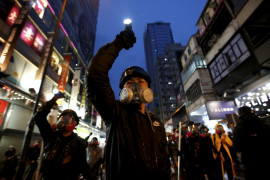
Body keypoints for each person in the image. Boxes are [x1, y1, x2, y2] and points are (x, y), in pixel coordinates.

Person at [84, 29, 171, 180]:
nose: (135, 86)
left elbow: (164, 161)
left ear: (148, 90)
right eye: (129, 83)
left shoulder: (156, 123)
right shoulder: (114, 112)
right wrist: (118, 44)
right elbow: (94, 75)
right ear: (123, 92)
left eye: (140, 82)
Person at [34, 93, 91, 180]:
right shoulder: (50, 136)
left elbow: (83, 166)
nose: (65, 119)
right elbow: (38, 117)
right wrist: (54, 99)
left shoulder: (79, 142)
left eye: (69, 118)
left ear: (75, 123)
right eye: (63, 117)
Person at [233, 106, 270, 180]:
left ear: (240, 114)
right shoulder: (262, 123)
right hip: (264, 155)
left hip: (249, 157)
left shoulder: (239, 128)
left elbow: (237, 146)